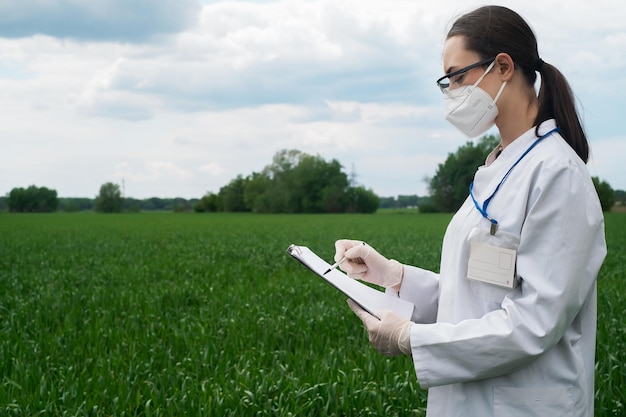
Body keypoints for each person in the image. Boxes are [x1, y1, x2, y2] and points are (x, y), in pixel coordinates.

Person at [334, 5, 607, 417]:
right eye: (446, 82)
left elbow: (533, 322)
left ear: (502, 67)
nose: (452, 93)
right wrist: (394, 275)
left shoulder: (557, 175)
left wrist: (412, 338)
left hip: (525, 404)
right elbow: (477, 294)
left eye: (457, 77)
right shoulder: (498, 167)